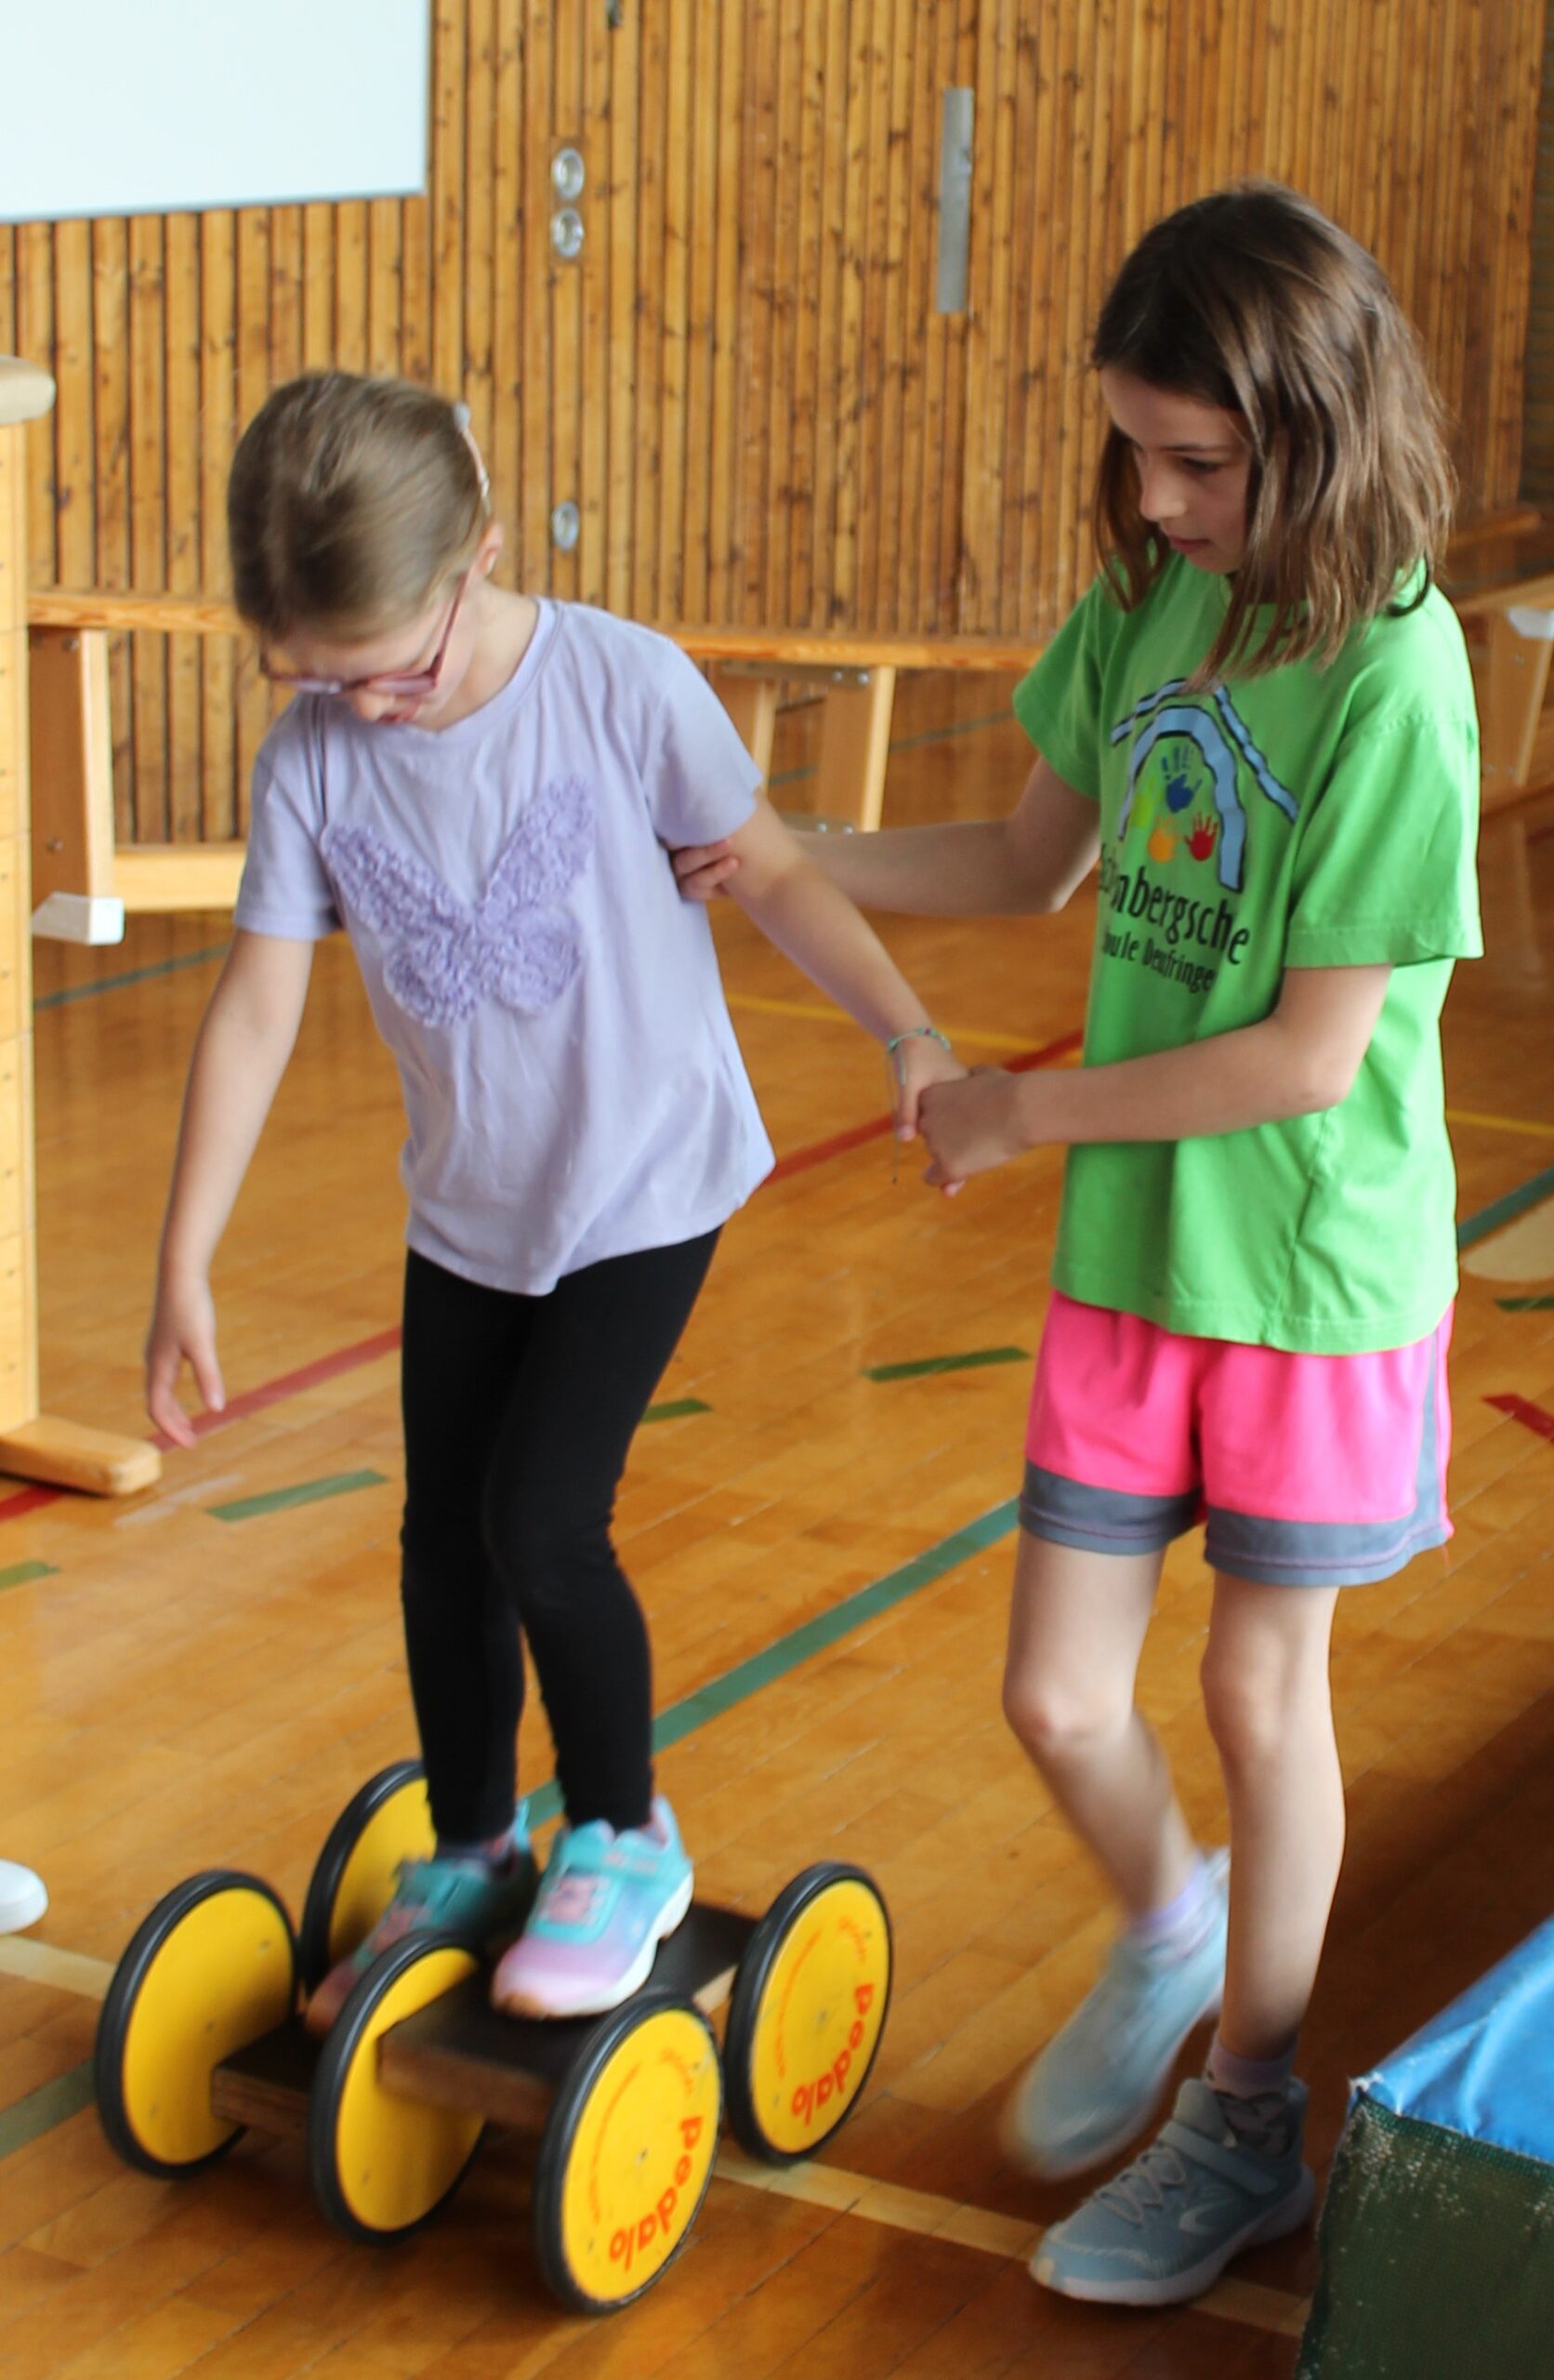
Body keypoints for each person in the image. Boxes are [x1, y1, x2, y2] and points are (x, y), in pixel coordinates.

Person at [673, 182, 1480, 2306]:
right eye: (1132, 447)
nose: (1155, 493)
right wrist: (778, 849)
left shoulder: (1397, 674)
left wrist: (1019, 1104)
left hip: (1301, 1278)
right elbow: (1032, 856)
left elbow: (1309, 1057)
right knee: (1051, 1697)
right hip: (1131, 1256)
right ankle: (1166, 1929)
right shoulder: (1146, 609)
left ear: (1311, 432)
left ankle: (1245, 2120)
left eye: (1196, 459)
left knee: (1247, 1681)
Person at [144, 370, 962, 2034]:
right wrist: (185, 1262)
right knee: (439, 1545)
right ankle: (472, 1844)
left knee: (541, 1526)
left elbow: (780, 873)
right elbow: (255, 1005)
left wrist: (913, 1034)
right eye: (314, 677)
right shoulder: (313, 756)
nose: (358, 711)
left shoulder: (619, 684)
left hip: (645, 1182)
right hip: (472, 1203)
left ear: (481, 556)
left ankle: (622, 1834)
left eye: (388, 674)